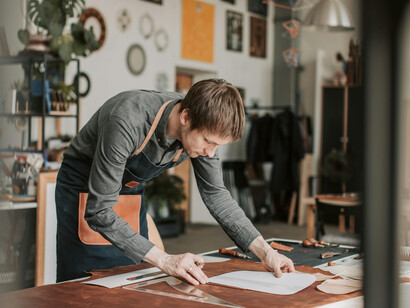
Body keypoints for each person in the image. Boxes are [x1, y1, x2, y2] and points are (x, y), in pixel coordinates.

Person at [55, 78, 295, 284]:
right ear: (185, 117)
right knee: (86, 278)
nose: (211, 153)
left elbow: (216, 195)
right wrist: (165, 259)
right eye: (208, 142)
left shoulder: (205, 126)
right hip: (83, 186)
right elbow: (99, 210)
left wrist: (266, 252)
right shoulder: (127, 119)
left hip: (128, 189)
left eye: (217, 146)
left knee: (132, 274)